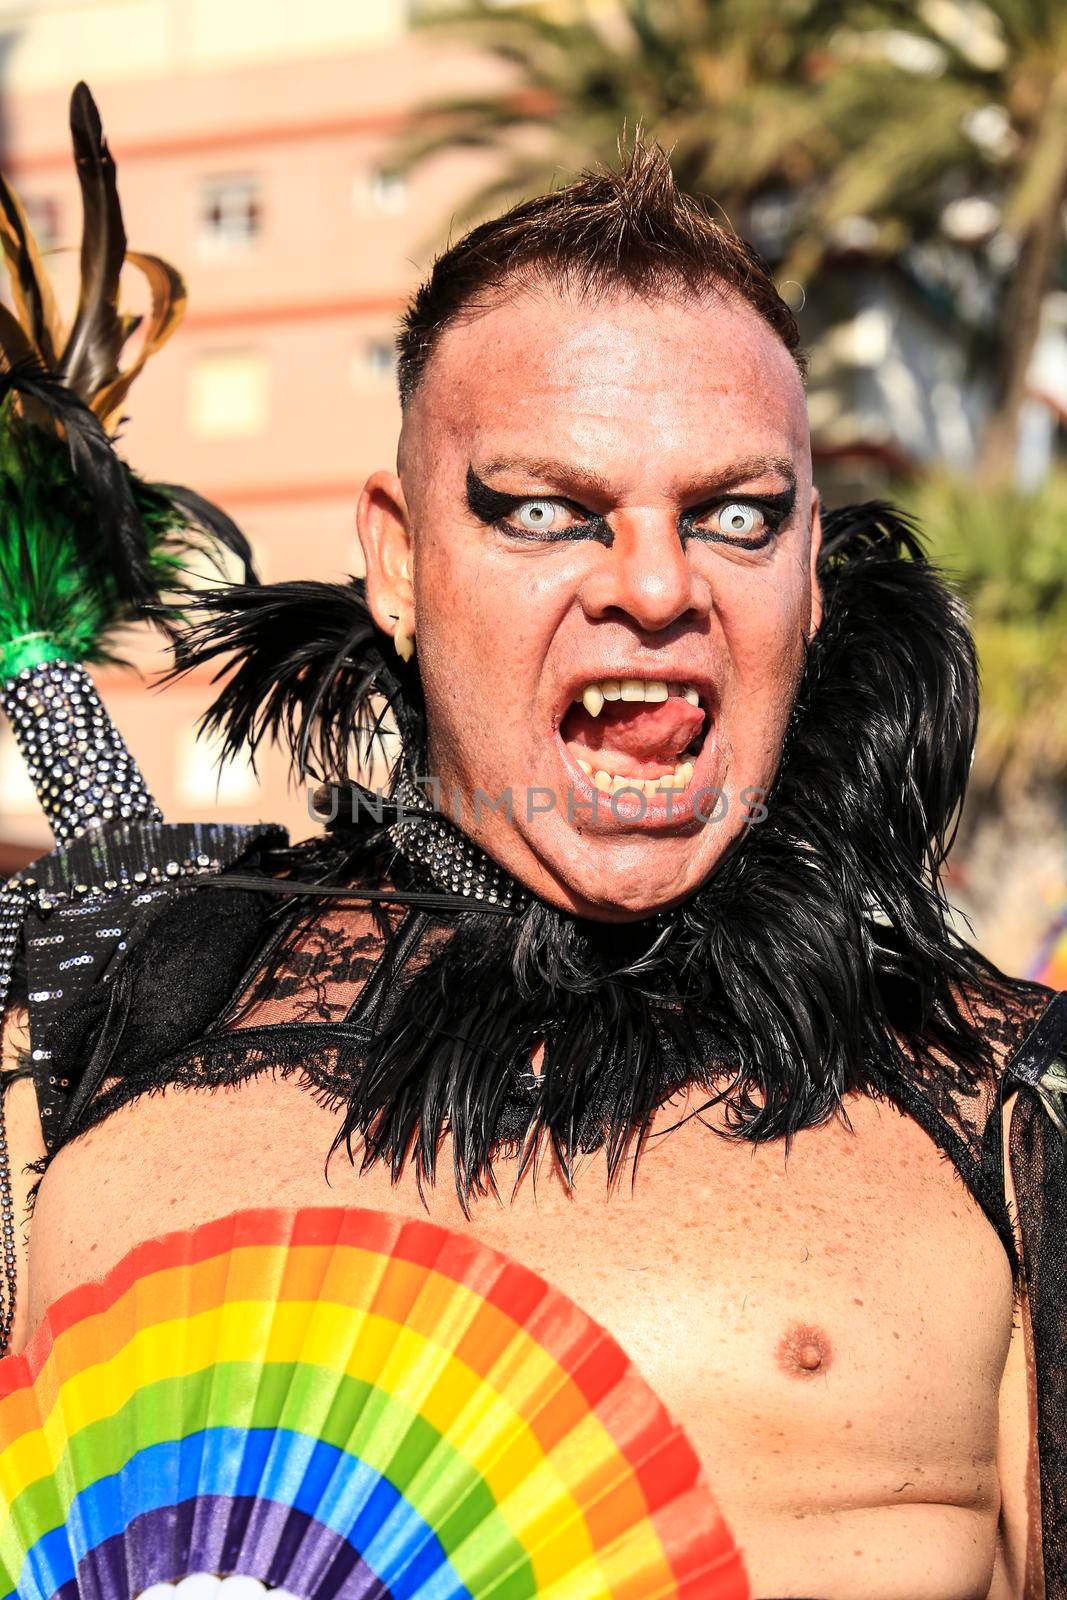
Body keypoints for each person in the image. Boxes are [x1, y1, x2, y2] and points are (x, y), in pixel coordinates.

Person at [3, 139, 1066, 1600]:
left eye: (735, 515)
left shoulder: (1007, 1111)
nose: (652, 583)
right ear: (396, 563)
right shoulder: (91, 1031)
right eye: (546, 509)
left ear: (814, 571)